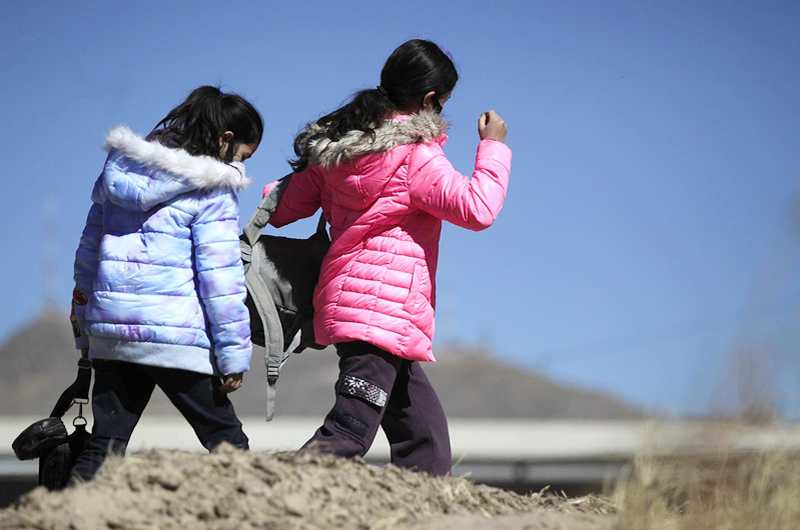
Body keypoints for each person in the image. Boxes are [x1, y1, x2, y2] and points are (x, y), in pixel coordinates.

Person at [262, 39, 511, 476]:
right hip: (382, 314)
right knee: (349, 431)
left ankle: (426, 518)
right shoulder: (417, 157)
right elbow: (478, 208)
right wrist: (492, 147)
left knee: (426, 439)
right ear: (429, 101)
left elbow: (282, 211)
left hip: (356, 309)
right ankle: (271, 499)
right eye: (443, 104)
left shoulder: (336, 151)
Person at [69, 86, 262, 482]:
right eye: (243, 157)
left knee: (103, 448)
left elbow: (87, 257)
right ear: (225, 140)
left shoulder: (120, 174)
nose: (239, 167)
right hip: (177, 339)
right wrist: (233, 356)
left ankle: (62, 518)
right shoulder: (214, 189)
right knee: (228, 444)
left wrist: (85, 332)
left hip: (113, 336)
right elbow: (220, 279)